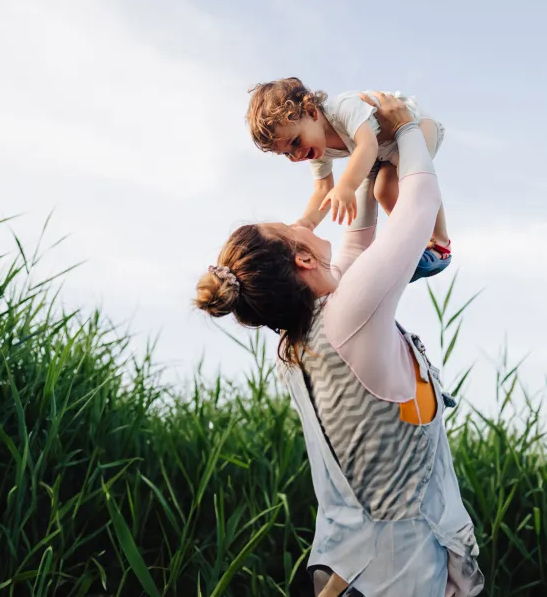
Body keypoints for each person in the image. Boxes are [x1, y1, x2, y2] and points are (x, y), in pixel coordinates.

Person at [196, 92, 483, 596]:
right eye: (291, 228)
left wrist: (368, 164)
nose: (301, 222)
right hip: (397, 578)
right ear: (302, 260)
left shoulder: (303, 339)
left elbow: (355, 245)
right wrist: (408, 132)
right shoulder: (350, 318)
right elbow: (418, 206)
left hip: (347, 568)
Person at [246, 77, 452, 283]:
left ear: (311, 112)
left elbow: (367, 145)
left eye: (295, 142)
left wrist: (346, 186)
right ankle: (418, 242)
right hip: (389, 150)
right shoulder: (317, 150)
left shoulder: (344, 108)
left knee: (399, 184)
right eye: (287, 153)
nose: (296, 155)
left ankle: (441, 243)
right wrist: (306, 223)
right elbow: (323, 188)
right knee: (383, 192)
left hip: (416, 125)